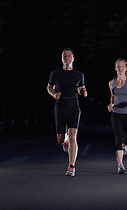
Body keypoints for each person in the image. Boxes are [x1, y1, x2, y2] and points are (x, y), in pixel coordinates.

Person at [47, 48, 87, 177]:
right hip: (60, 107)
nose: (67, 58)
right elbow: (48, 87)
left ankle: (71, 167)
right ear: (61, 58)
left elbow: (82, 88)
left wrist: (83, 92)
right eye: (65, 56)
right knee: (60, 139)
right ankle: (64, 141)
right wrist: (54, 94)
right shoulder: (55, 73)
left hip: (74, 107)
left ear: (73, 58)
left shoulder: (79, 74)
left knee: (73, 136)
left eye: (69, 56)